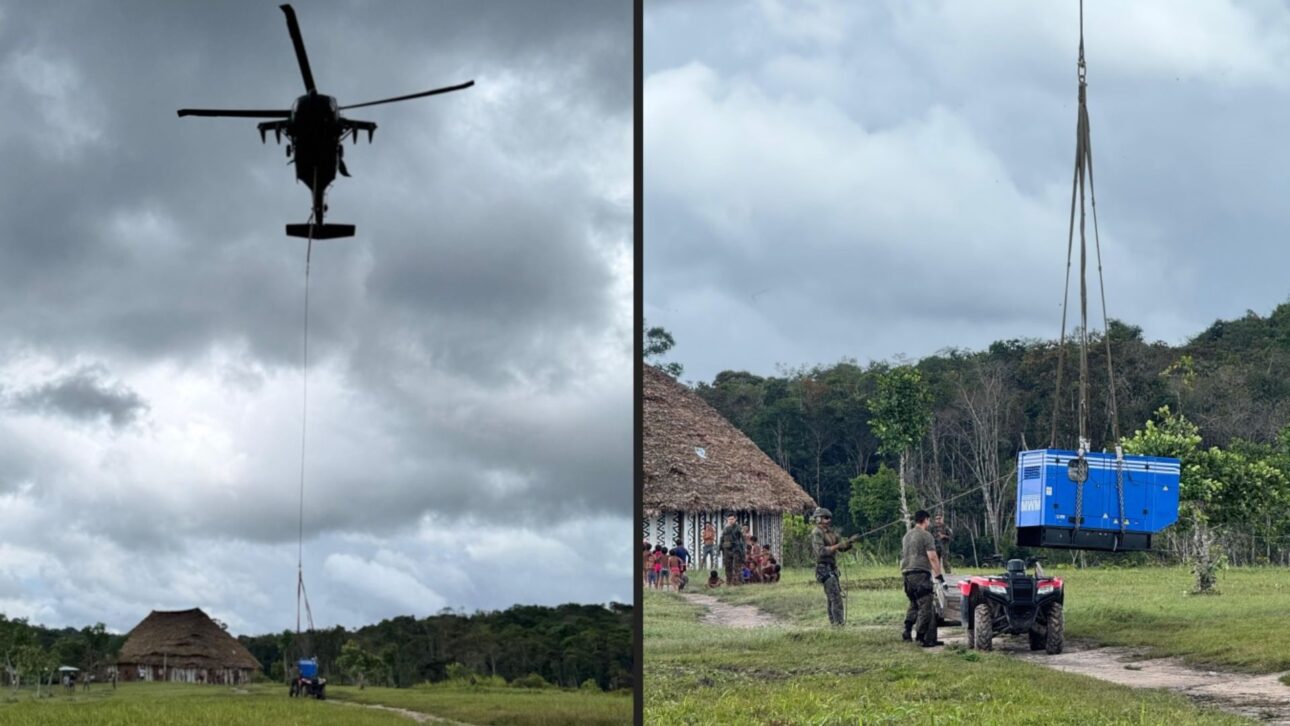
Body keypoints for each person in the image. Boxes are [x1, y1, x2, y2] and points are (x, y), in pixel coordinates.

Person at [901, 509, 945, 647]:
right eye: (929, 520)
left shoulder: (907, 536)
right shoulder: (926, 536)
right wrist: (939, 575)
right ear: (926, 520)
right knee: (926, 606)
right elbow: (932, 557)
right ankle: (921, 637)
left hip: (906, 573)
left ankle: (907, 631)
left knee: (914, 603)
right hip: (920, 573)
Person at [810, 507, 858, 626]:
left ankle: (835, 625)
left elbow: (841, 547)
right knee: (835, 598)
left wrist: (850, 542)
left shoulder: (831, 533)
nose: (828, 520)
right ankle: (839, 625)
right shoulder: (817, 533)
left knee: (832, 597)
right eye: (826, 518)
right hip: (823, 569)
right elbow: (821, 551)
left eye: (829, 518)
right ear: (818, 519)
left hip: (832, 568)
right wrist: (838, 546)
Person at [719, 514, 746, 586]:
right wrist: (720, 547)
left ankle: (736, 582)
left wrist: (743, 549)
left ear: (735, 519)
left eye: (732, 519)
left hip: (736, 549)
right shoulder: (725, 528)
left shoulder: (738, 528)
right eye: (729, 519)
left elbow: (742, 539)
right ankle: (729, 582)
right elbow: (722, 538)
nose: (730, 521)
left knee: (736, 567)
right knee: (728, 566)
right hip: (726, 549)